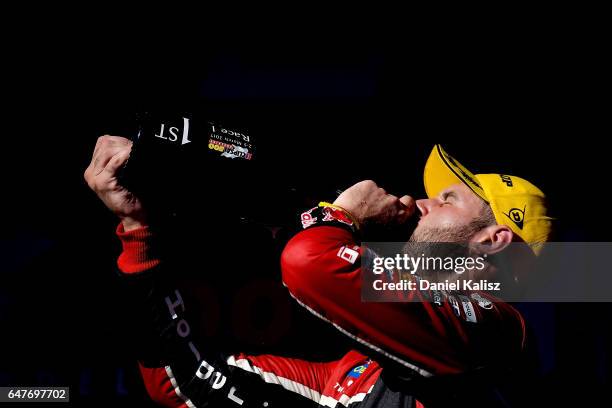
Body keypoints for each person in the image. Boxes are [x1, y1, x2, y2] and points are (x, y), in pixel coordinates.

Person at [84, 137, 553, 407]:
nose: (421, 202)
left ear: (493, 240)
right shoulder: (358, 375)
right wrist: (138, 230)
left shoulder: (500, 335)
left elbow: (311, 264)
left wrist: (341, 217)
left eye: (448, 200)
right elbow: (181, 384)